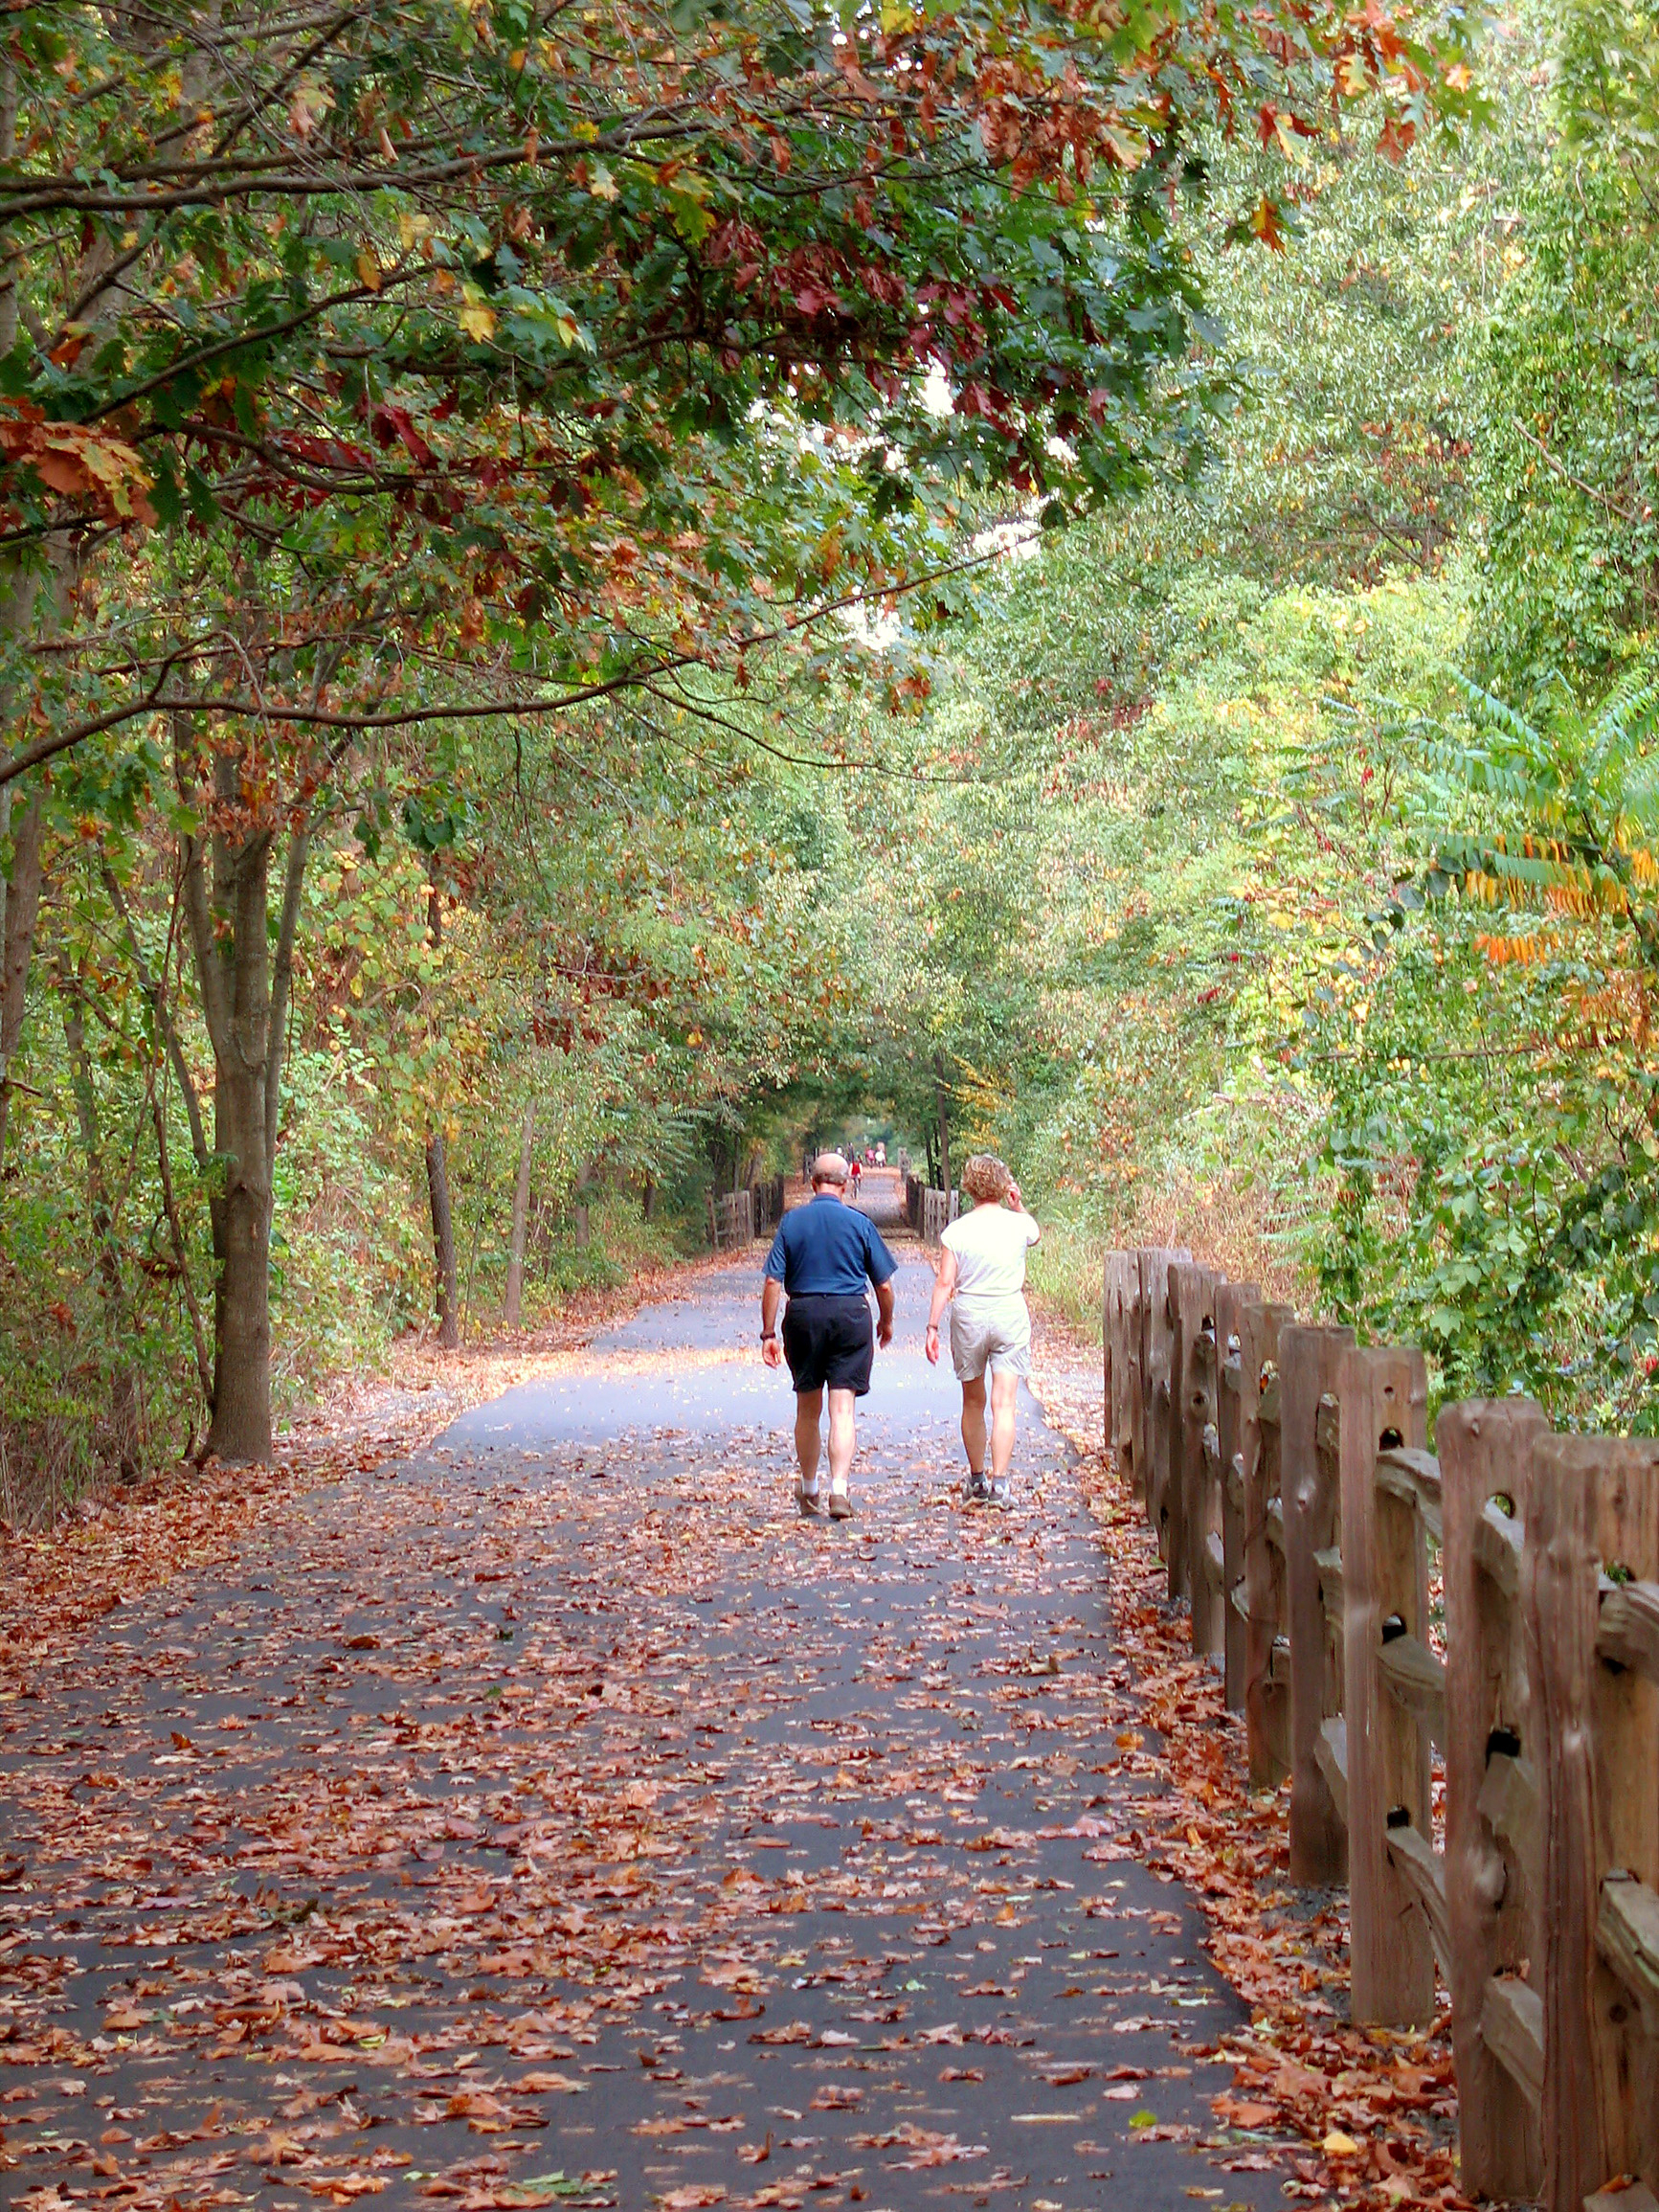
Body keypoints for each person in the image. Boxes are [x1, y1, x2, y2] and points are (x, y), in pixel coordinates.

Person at [761, 1152, 897, 1521]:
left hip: (804, 1315)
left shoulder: (792, 1223)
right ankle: (839, 1491)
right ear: (846, 1183)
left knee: (808, 1409)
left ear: (812, 1182)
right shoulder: (859, 1223)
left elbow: (774, 1280)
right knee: (843, 1409)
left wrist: (769, 1332)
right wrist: (885, 1322)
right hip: (850, 1315)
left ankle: (808, 1491)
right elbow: (883, 1284)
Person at [924, 1153, 1042, 1508]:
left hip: (970, 1313)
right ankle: (1001, 1484)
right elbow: (1035, 1235)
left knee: (973, 1402)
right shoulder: (1017, 1225)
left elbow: (945, 1282)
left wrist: (932, 1325)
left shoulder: (956, 1231)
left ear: (970, 1186)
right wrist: (1018, 1206)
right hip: (1009, 1310)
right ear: (1004, 1185)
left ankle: (977, 1480)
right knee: (1004, 1403)